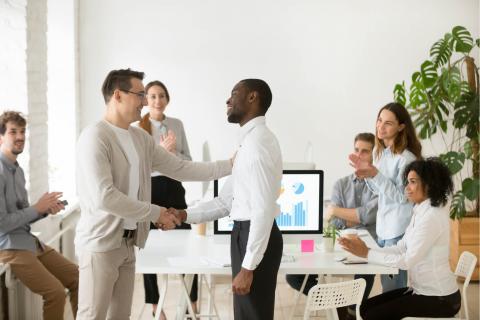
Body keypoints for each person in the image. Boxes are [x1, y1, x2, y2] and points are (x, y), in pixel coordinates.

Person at [75, 68, 232, 320]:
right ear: (117, 95)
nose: (145, 101)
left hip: (128, 243)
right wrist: (156, 212)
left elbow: (181, 167)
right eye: (140, 94)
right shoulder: (94, 137)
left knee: (119, 316)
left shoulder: (139, 137)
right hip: (100, 245)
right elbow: (105, 197)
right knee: (91, 316)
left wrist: (230, 165)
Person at [170, 79, 283, 320]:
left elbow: (262, 210)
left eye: (234, 93)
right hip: (245, 234)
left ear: (253, 97)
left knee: (253, 316)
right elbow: (225, 201)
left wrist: (248, 266)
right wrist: (184, 215)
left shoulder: (256, 144)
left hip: (253, 234)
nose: (228, 100)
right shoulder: (247, 143)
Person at [339, 158, 461, 320]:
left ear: (429, 184)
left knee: (371, 315)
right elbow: (402, 246)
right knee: (364, 308)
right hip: (420, 291)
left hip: (440, 299)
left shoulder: (432, 216)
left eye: (412, 182)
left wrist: (367, 253)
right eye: (407, 182)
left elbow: (407, 261)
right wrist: (366, 251)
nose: (406, 188)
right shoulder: (421, 209)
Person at [0, 111, 79, 320]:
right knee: (54, 293)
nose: (20, 137)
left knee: (78, 278)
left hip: (28, 241)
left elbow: (23, 215)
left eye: (23, 131)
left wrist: (45, 209)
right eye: (13, 132)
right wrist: (36, 208)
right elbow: (1, 224)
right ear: (1, 137)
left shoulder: (18, 171)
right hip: (9, 248)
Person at [285, 132, 378, 306]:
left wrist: (336, 210)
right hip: (338, 243)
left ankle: (352, 310)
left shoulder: (379, 187)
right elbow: (336, 222)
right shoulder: (340, 184)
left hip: (367, 244)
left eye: (365, 151)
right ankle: (337, 304)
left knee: (366, 271)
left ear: (374, 155)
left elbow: (368, 215)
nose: (358, 155)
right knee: (293, 277)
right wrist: (355, 218)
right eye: (356, 150)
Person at [138, 80, 198, 318]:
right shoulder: (138, 128)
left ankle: (192, 304)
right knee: (147, 246)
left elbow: (188, 158)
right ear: (146, 100)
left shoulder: (176, 124)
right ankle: (156, 307)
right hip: (150, 189)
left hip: (174, 187)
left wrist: (172, 154)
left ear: (167, 98)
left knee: (188, 242)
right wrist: (162, 153)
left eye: (161, 95)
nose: (157, 100)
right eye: (152, 96)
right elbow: (141, 166)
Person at [349, 102, 422, 292]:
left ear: (401, 127)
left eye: (388, 123)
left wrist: (374, 174)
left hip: (397, 230)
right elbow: (379, 191)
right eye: (379, 120)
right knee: (385, 286)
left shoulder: (406, 159)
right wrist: (365, 174)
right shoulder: (380, 153)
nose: (380, 126)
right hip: (383, 228)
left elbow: (402, 197)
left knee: (393, 290)